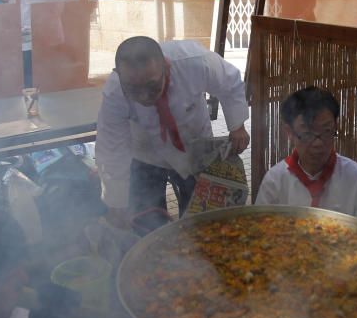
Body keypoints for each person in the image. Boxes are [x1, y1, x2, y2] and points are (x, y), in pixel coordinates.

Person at [95, 36, 250, 232]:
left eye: (151, 86)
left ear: (166, 66)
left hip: (193, 142)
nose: (143, 96)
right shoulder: (114, 92)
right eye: (133, 89)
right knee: (146, 219)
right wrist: (116, 202)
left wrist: (237, 126)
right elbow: (111, 148)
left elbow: (230, 82)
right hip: (146, 152)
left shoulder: (194, 61)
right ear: (118, 75)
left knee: (198, 216)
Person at [255, 86, 357, 229]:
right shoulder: (275, 181)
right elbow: (260, 230)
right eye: (307, 134)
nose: (318, 143)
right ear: (289, 132)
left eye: (326, 131)